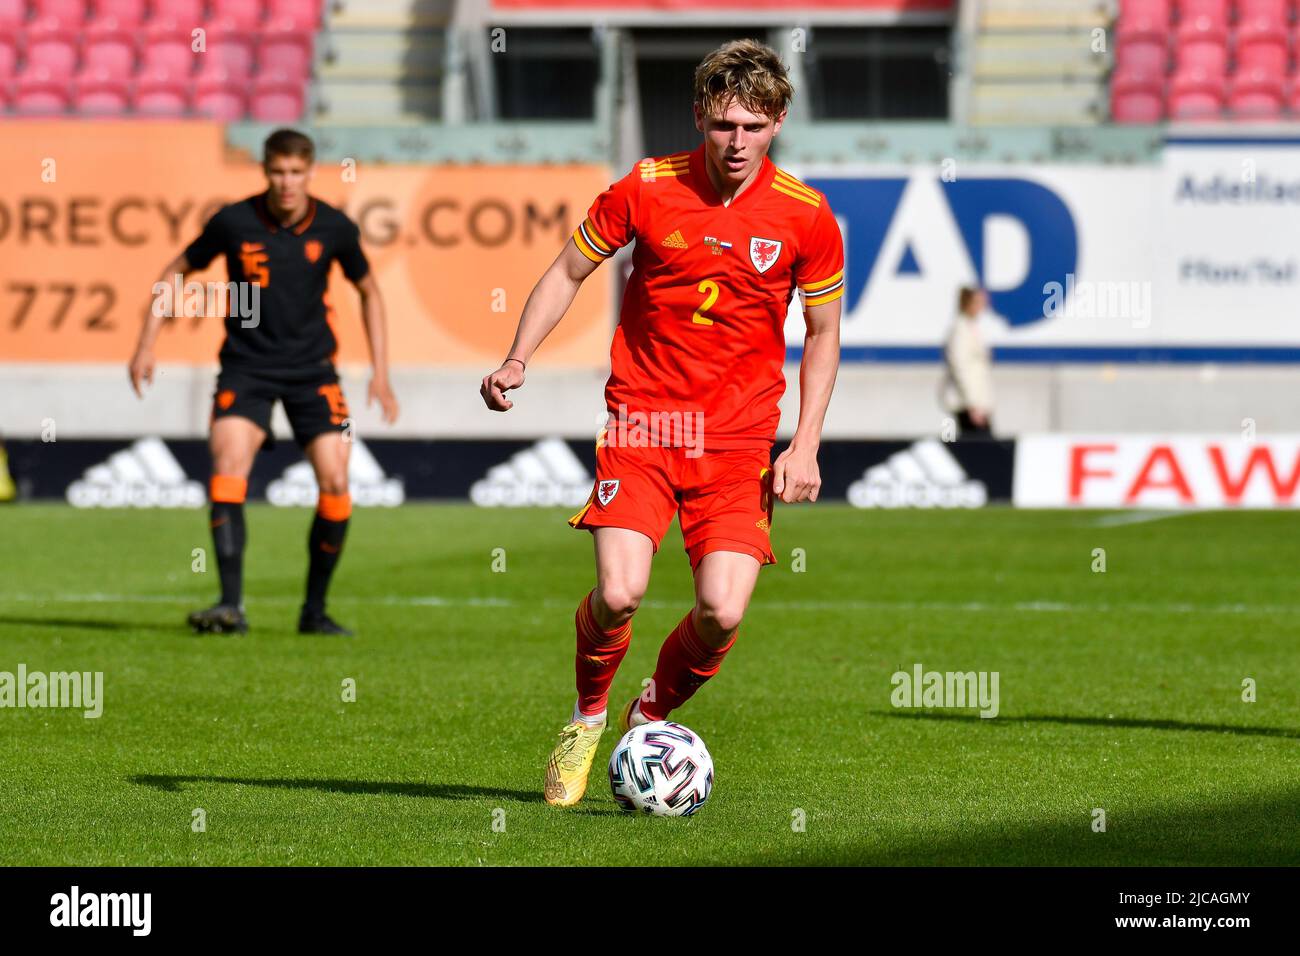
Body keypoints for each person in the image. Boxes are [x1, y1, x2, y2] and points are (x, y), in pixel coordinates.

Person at [480, 39, 844, 807]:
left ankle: (650, 716)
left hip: (740, 443)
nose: (735, 142)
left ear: (778, 120)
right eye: (721, 125)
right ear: (699, 119)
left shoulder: (808, 218)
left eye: (751, 125)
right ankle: (585, 720)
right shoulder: (645, 187)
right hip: (644, 427)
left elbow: (822, 333)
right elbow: (567, 270)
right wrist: (518, 357)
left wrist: (804, 443)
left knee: (721, 611)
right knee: (618, 594)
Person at [128, 128, 399, 636]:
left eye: (296, 172)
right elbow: (176, 270)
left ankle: (313, 612)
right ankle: (231, 606)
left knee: (337, 483)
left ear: (310, 172)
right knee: (228, 468)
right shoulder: (234, 221)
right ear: (265, 171)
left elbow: (370, 292)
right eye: (277, 172)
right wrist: (147, 342)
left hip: (313, 372)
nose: (287, 182)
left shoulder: (335, 228)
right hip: (245, 369)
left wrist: (381, 373)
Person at [942, 286, 994, 437]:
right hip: (967, 405)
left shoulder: (972, 327)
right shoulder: (960, 330)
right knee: (975, 448)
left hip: (977, 404)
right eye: (978, 302)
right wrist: (972, 405)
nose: (982, 306)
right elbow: (961, 368)